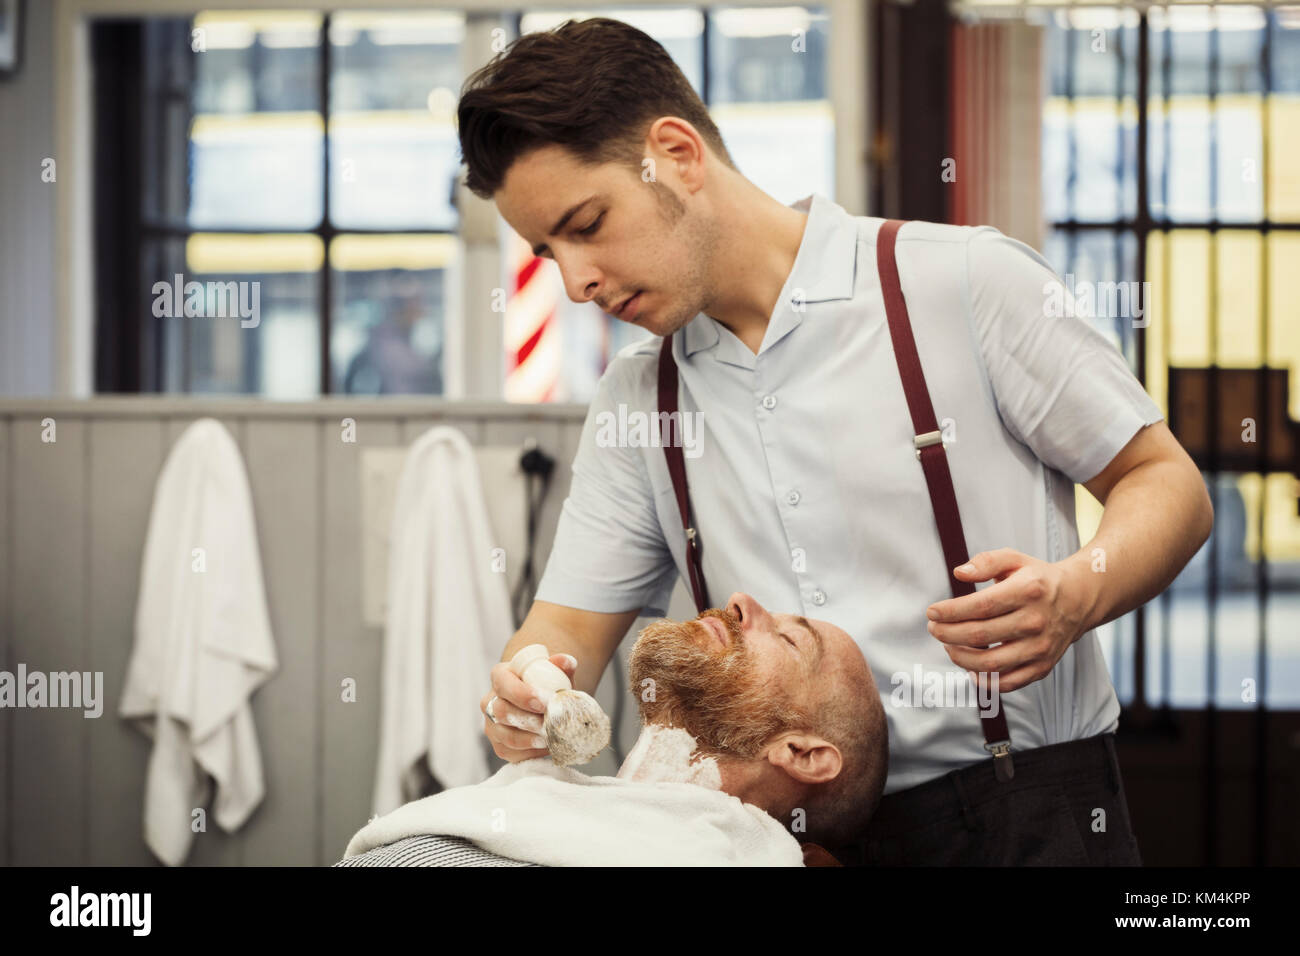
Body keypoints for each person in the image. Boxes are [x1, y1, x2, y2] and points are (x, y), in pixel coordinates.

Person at [459, 17, 1213, 866]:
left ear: (676, 153)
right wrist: (526, 687)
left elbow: (1167, 483)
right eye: (546, 251)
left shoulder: (965, 283)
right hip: (775, 844)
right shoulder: (639, 397)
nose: (575, 281)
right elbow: (564, 627)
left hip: (1026, 815)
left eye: (586, 224)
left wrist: (1079, 593)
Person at [337, 595, 885, 866]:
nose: (742, 602)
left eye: (790, 640)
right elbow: (568, 619)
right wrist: (526, 695)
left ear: (802, 754)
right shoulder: (541, 807)